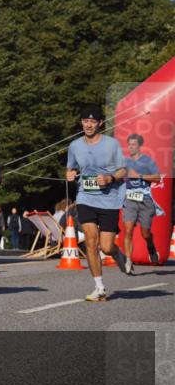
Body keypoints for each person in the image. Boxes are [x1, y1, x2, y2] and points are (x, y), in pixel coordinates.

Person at [65, 104, 129, 301]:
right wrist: (70, 174)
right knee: (91, 241)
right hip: (86, 197)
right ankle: (99, 287)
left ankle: (119, 255)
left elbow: (123, 170)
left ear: (100, 123)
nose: (89, 125)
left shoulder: (112, 144)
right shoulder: (75, 146)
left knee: (106, 247)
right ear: (81, 123)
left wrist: (110, 178)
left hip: (109, 200)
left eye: (93, 121)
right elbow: (71, 169)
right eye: (86, 121)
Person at [122, 132, 162, 269]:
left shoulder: (148, 161)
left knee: (145, 233)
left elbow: (157, 178)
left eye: (134, 145)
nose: (131, 147)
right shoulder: (124, 161)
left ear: (140, 146)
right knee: (128, 230)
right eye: (129, 144)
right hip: (129, 199)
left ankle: (151, 248)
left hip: (145, 199)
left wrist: (139, 176)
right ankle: (128, 260)